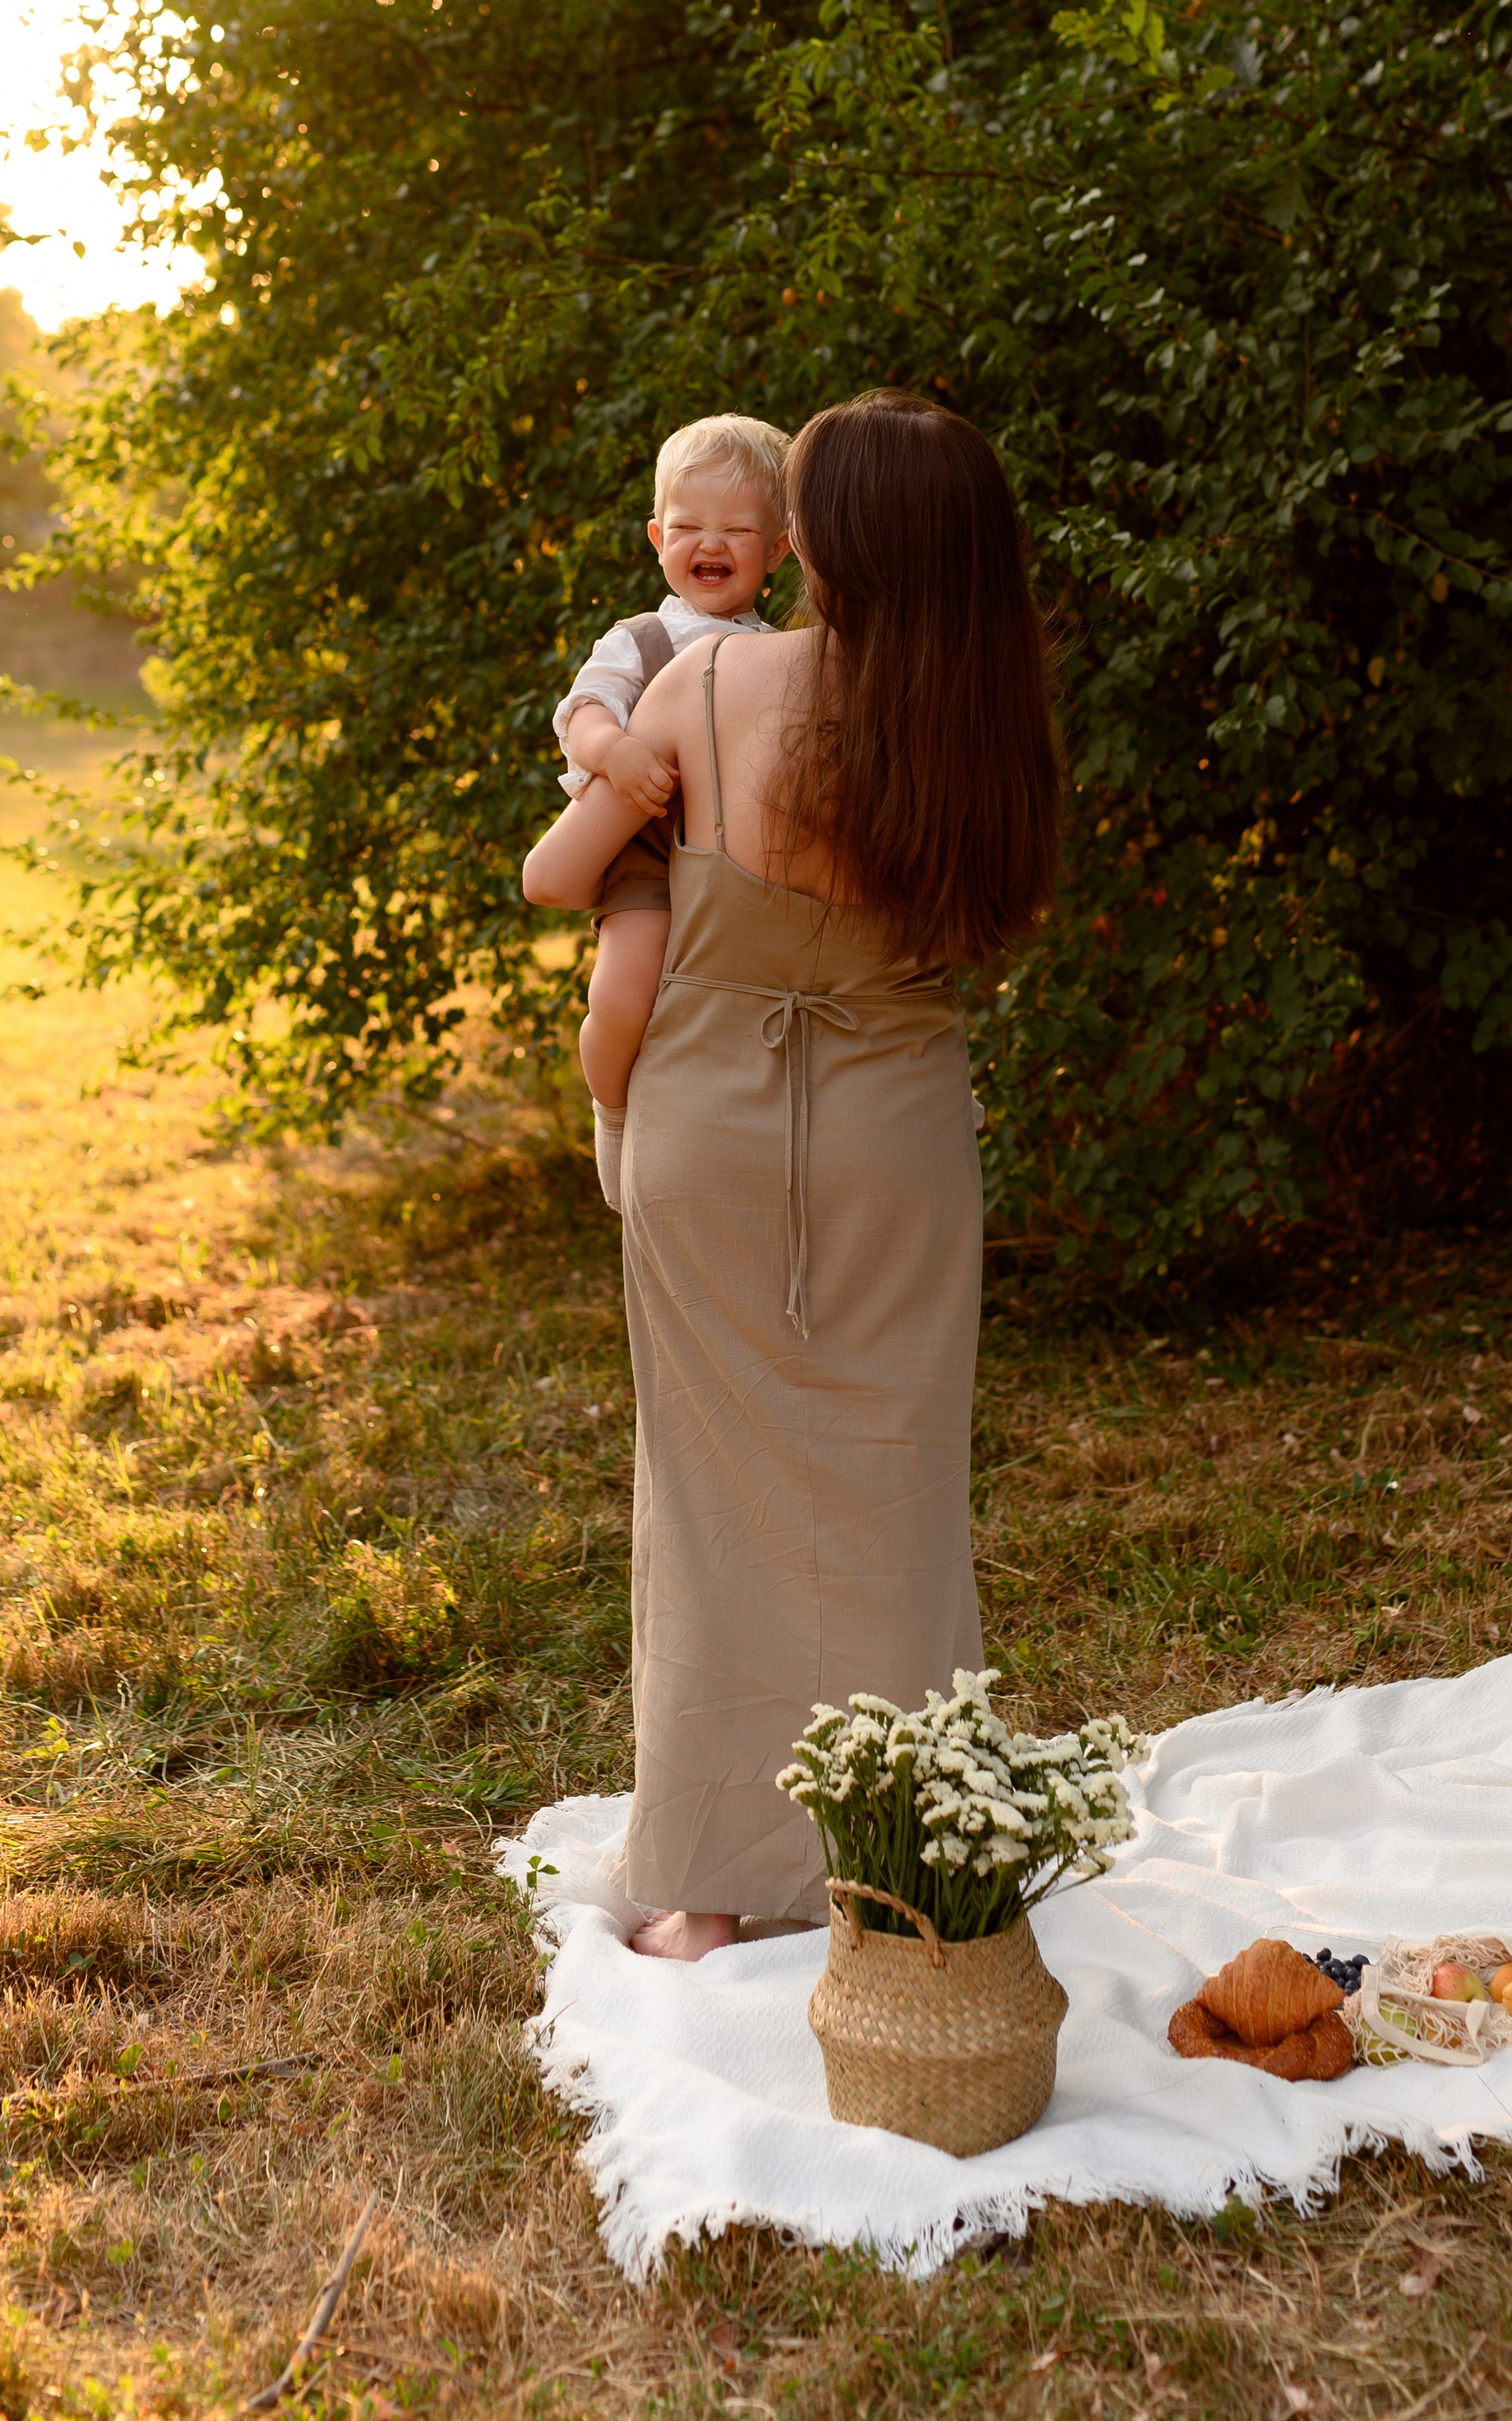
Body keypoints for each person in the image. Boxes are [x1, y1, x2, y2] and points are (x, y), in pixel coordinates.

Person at [522, 390, 1061, 1961]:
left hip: (709, 1117)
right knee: (897, 1489)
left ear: (823, 540)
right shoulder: (991, 716)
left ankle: (705, 1888)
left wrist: (622, 781)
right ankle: (913, 1856)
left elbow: (563, 876)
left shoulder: (712, 677)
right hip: (898, 1130)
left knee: (710, 1497)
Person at [551, 414, 792, 1209]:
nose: (707, 543)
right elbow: (586, 710)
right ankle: (612, 1107)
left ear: (780, 548)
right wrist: (614, 752)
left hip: (738, 859)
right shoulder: (644, 637)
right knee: (624, 990)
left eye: (735, 529)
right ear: (658, 537)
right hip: (649, 844)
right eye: (687, 526)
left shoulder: (780, 646)